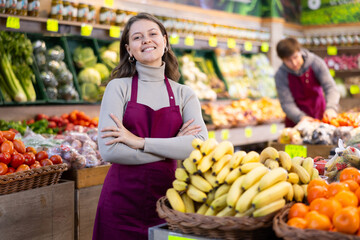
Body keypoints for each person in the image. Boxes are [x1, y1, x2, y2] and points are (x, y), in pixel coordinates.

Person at [92, 12, 208, 240]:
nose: (146, 40)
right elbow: (110, 150)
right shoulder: (118, 88)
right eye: (137, 37)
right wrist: (172, 149)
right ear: (129, 49)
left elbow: (198, 146)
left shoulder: (184, 94)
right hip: (120, 204)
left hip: (169, 203)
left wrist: (139, 142)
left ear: (164, 41)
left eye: (153, 34)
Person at [274, 37, 340, 127]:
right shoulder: (280, 75)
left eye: (295, 57)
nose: (294, 63)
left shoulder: (316, 63)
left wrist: (331, 108)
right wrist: (301, 117)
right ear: (282, 60)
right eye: (288, 60)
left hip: (321, 116)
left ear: (300, 51)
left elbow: (330, 87)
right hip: (297, 123)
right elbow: (286, 103)